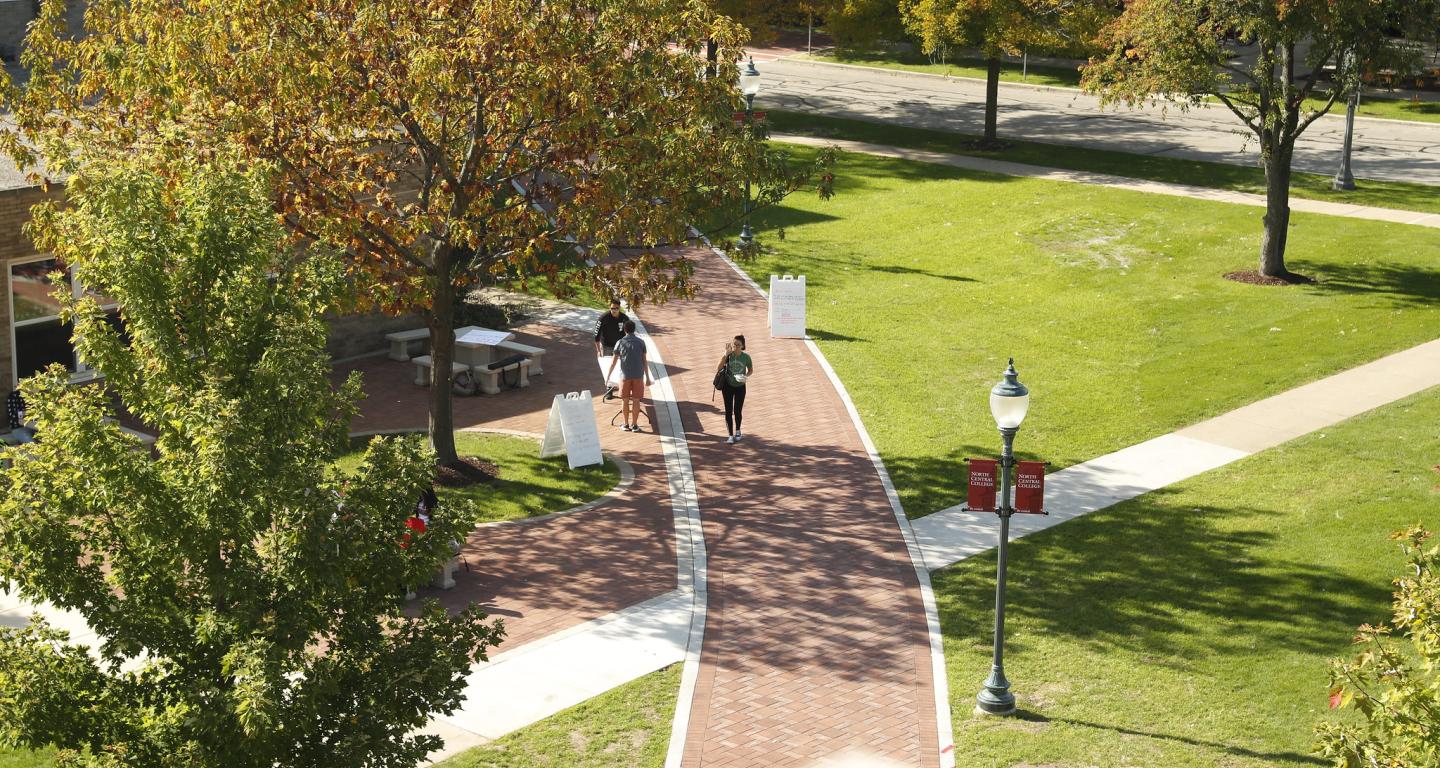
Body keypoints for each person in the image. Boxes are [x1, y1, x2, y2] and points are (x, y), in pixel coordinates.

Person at [605, 320, 652, 433]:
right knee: (636, 401)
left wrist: (608, 377)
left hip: (624, 377)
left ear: (624, 330)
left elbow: (613, 362)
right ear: (634, 329)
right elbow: (644, 361)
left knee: (625, 401)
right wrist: (648, 378)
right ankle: (635, 425)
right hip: (638, 376)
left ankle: (626, 424)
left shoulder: (620, 342)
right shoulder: (641, 342)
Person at [718, 334, 753, 444]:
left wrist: (746, 376)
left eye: (738, 345)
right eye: (734, 344)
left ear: (743, 346)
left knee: (737, 410)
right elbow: (719, 368)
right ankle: (730, 435)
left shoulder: (746, 357)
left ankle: (738, 430)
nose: (736, 347)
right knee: (728, 411)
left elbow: (751, 370)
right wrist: (725, 355)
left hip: (740, 386)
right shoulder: (729, 355)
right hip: (727, 386)